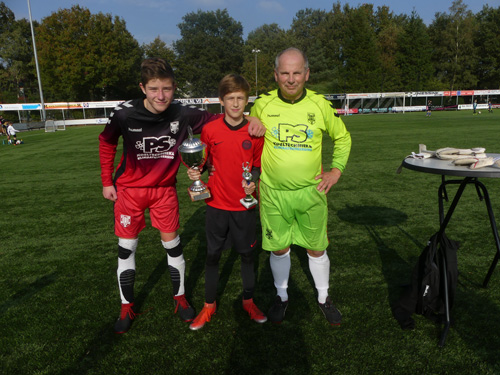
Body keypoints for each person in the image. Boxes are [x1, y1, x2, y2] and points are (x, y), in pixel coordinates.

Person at [99, 58, 265, 334]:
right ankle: (126, 306)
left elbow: (225, 117)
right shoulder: (124, 114)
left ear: (174, 87)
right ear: (143, 88)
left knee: (173, 245)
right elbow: (106, 142)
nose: (160, 95)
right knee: (126, 248)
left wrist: (252, 117)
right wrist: (107, 181)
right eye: (153, 89)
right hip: (129, 191)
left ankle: (180, 299)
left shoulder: (183, 113)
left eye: (166, 89)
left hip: (165, 190)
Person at [250, 47, 352, 325]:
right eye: (285, 73)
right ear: (275, 75)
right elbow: (246, 134)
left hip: (311, 192)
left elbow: (342, 138)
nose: (291, 79)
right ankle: (281, 297)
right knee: (279, 248)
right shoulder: (263, 105)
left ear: (307, 74)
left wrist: (335, 172)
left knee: (316, 248)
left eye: (297, 72)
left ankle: (323, 297)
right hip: (273, 193)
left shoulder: (320, 105)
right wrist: (250, 119)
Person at [186, 74, 266, 330]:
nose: (235, 104)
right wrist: (194, 172)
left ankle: (249, 301)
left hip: (244, 205)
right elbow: (202, 161)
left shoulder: (255, 131)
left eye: (240, 98)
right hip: (216, 204)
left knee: (246, 255)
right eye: (230, 98)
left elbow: (255, 166)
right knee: (212, 256)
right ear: (221, 101)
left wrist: (252, 180)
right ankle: (209, 305)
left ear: (246, 100)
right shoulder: (209, 130)